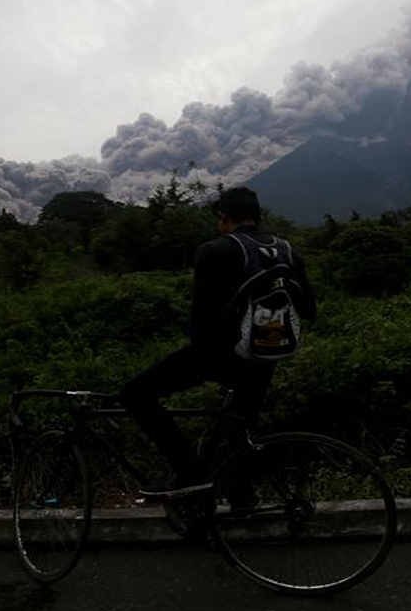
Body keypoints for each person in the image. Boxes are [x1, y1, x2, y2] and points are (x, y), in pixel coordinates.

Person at [119, 187, 317, 496]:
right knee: (240, 425)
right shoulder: (287, 250)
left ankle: (189, 474)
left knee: (135, 395)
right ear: (259, 218)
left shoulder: (214, 251)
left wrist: (203, 357)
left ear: (222, 218)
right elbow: (308, 310)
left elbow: (201, 321)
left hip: (221, 354)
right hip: (268, 352)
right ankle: (241, 499)